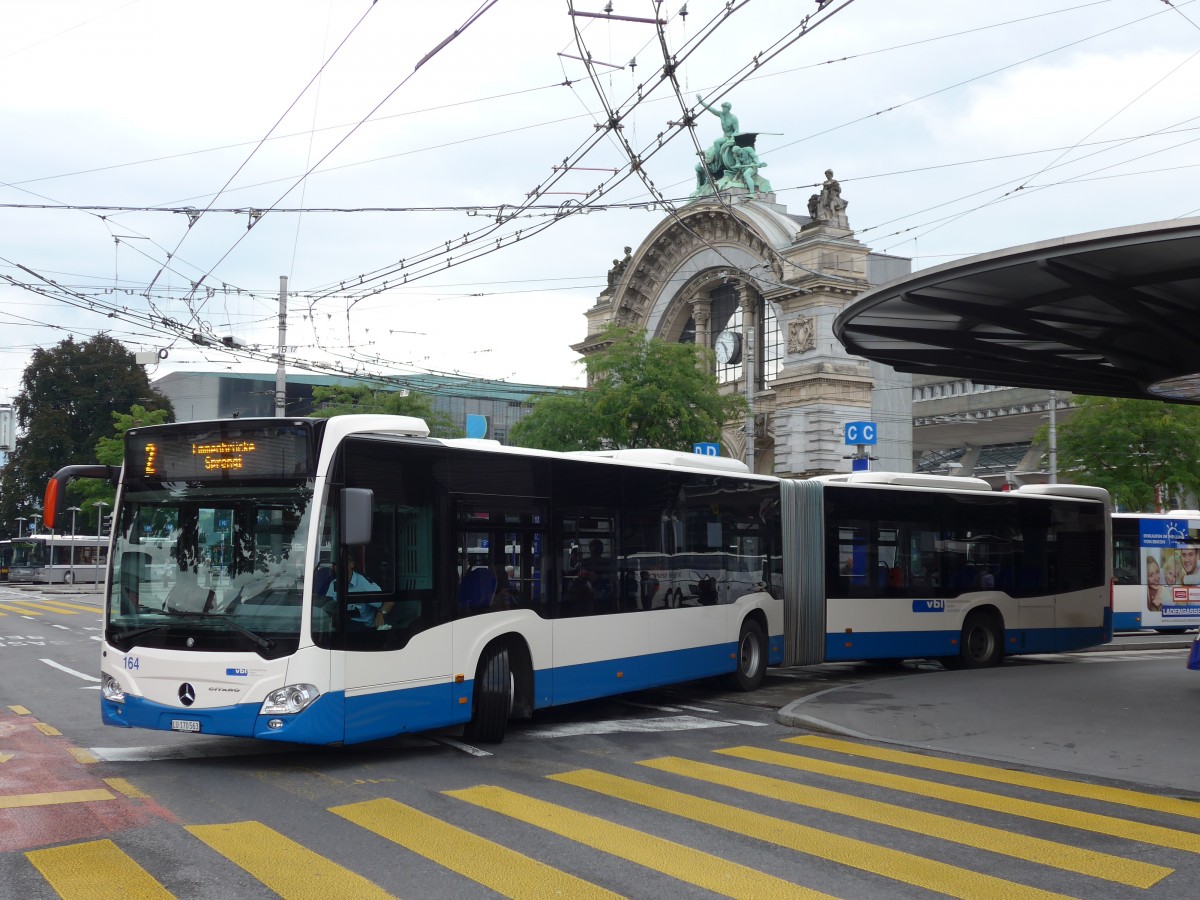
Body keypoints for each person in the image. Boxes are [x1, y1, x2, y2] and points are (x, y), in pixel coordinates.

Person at [326, 557, 390, 629]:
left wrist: (381, 612)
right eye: (335, 564)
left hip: (363, 627)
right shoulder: (334, 584)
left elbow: (384, 601)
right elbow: (328, 607)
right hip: (344, 624)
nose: (338, 566)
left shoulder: (364, 583)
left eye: (342, 562)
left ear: (352, 564)